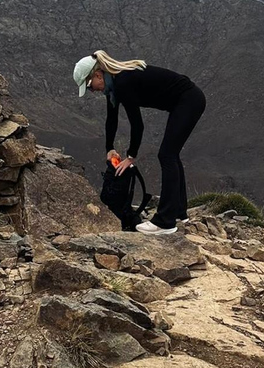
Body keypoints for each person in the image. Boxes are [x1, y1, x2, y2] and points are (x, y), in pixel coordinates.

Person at [73, 50, 206, 235]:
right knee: (171, 154)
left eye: (89, 86)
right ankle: (178, 212)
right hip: (185, 101)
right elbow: (111, 119)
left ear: (97, 75)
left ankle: (165, 222)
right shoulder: (114, 86)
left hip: (189, 100)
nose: (92, 90)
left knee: (166, 155)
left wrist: (130, 157)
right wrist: (109, 148)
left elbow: (137, 125)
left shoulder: (123, 82)